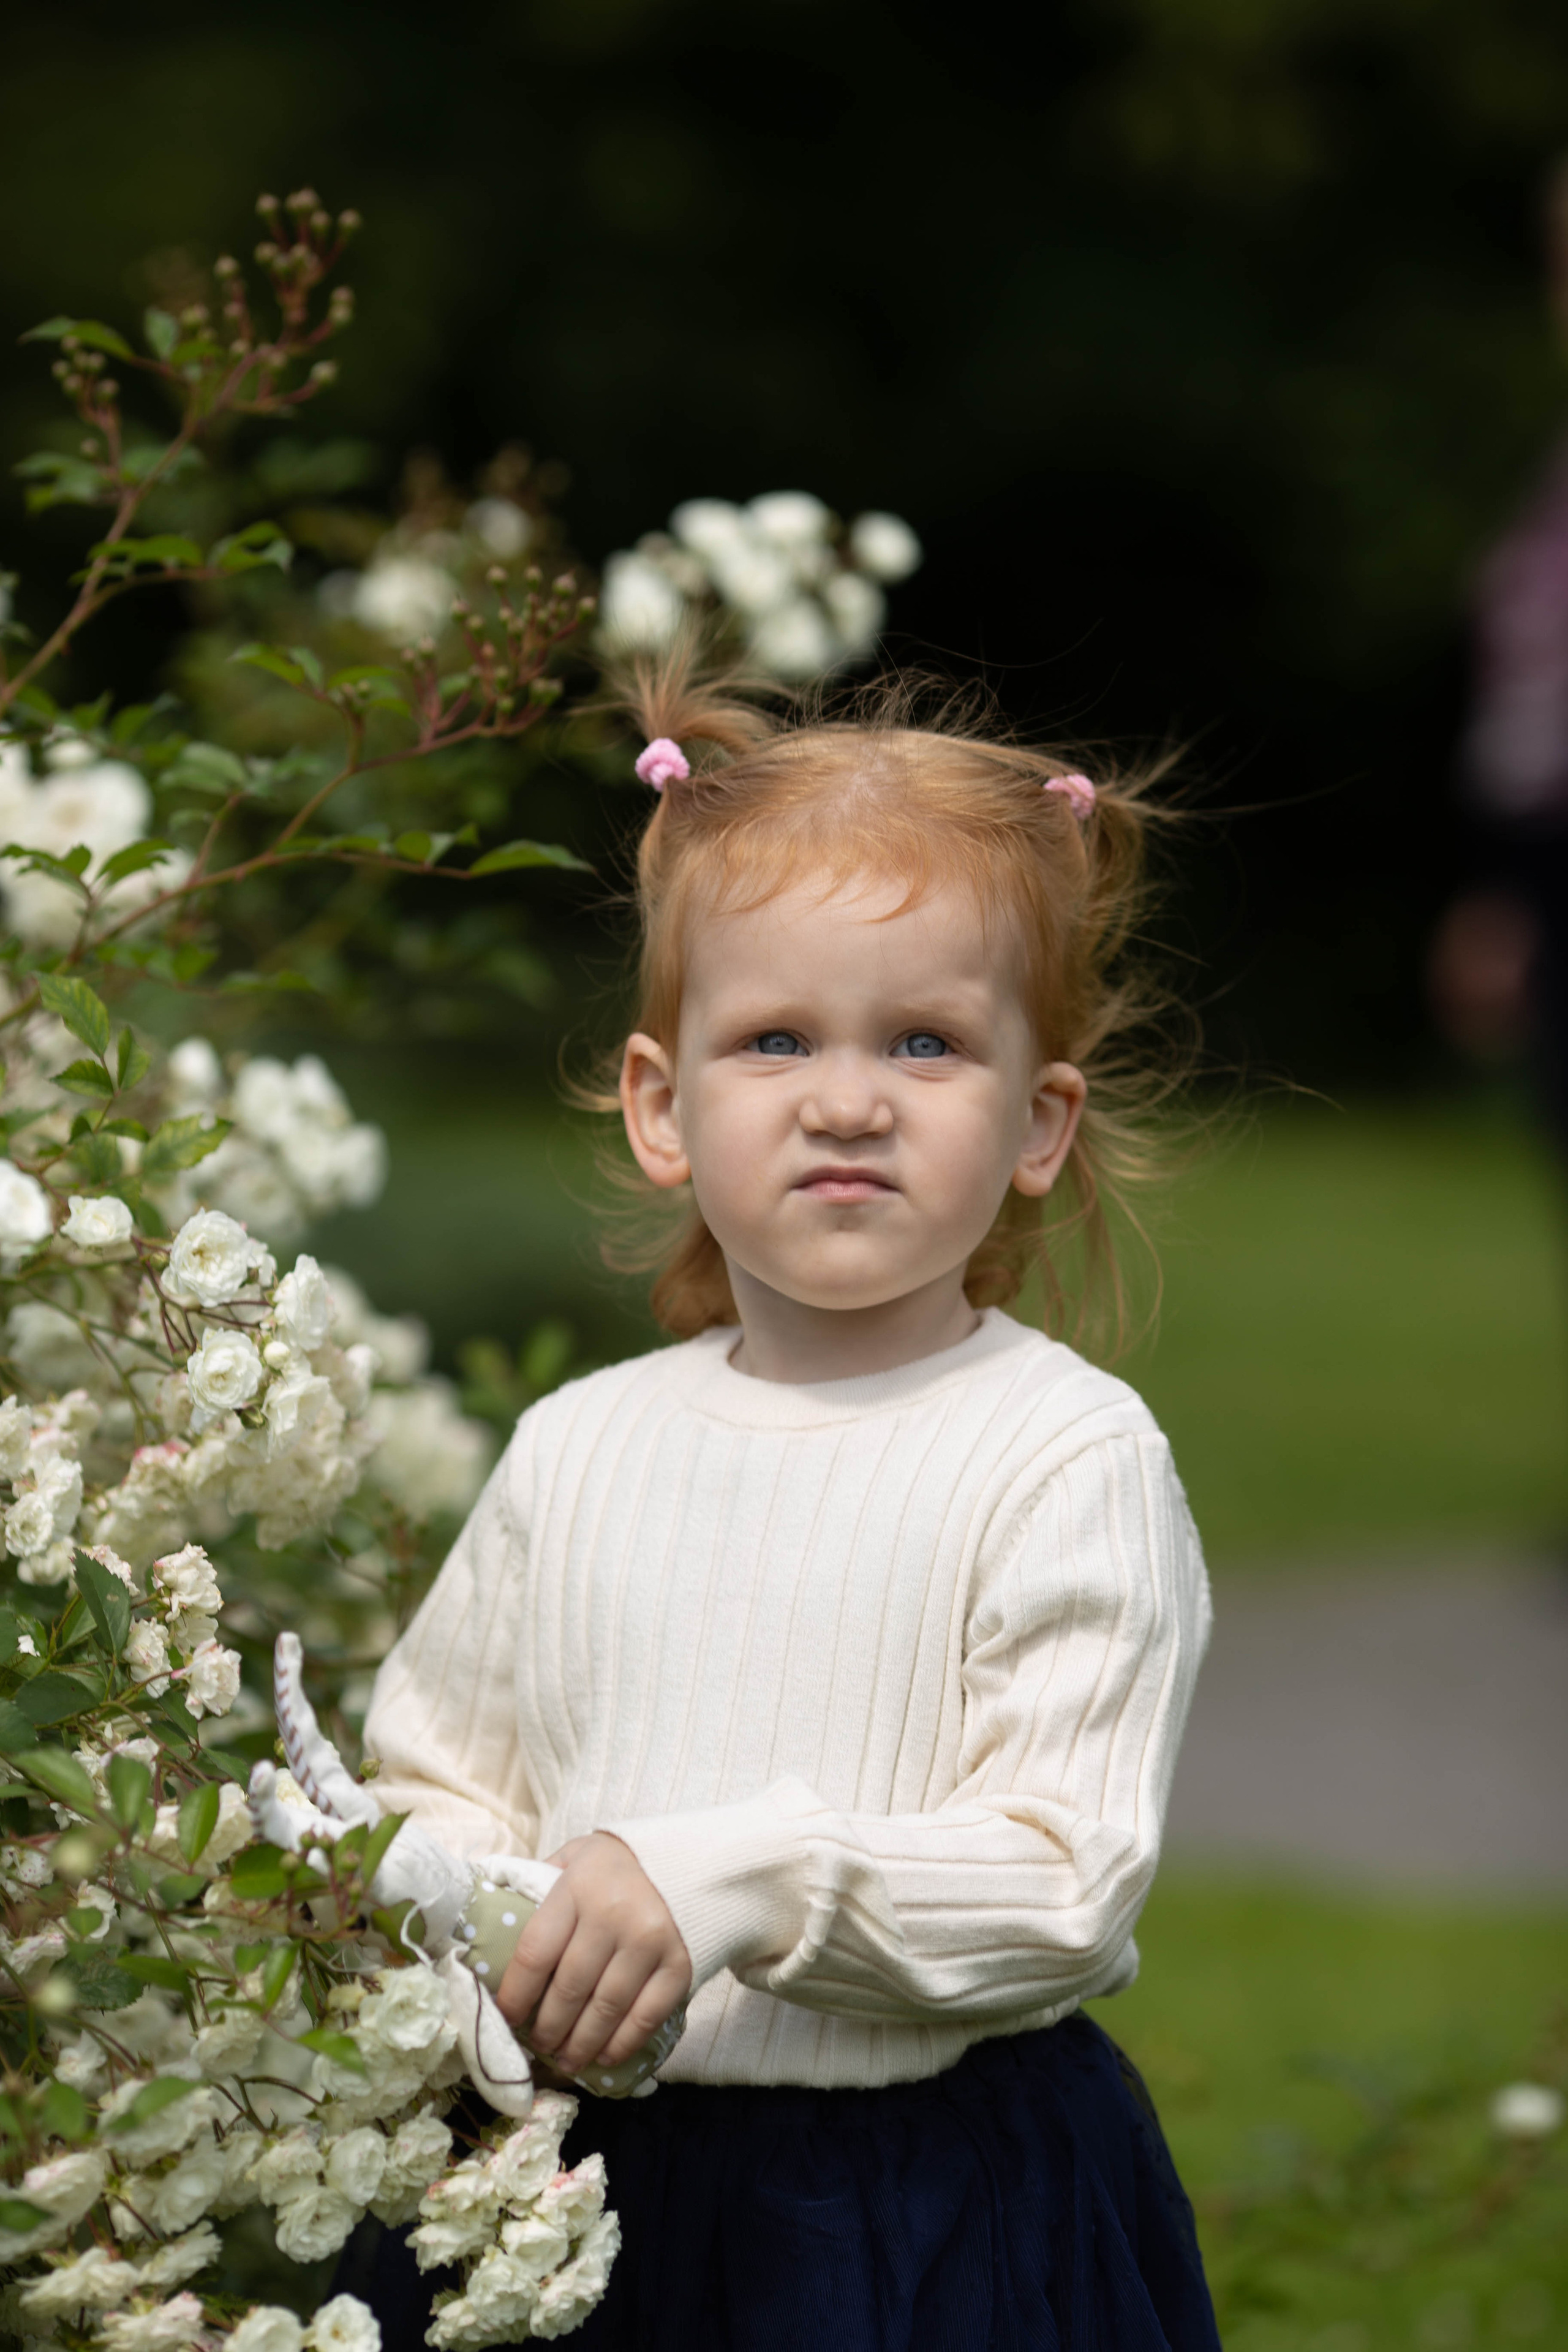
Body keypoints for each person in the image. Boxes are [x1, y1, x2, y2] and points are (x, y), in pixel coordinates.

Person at [358, 658, 1221, 2350]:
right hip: (577, 2183)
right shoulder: (580, 1448)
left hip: (925, 2211)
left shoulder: (1064, 1459)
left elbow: (1063, 1876)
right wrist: (485, 1907)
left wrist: (736, 1881)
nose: (847, 1097)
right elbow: (444, 1770)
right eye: (775, 1039)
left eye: (925, 1041)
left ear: (1040, 1121)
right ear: (663, 1107)